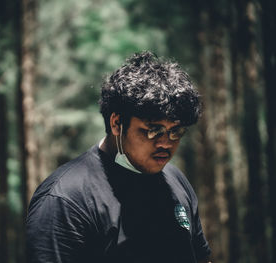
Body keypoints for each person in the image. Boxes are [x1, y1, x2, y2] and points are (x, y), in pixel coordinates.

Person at [26, 51, 212, 263]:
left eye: (175, 131)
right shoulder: (66, 199)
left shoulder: (176, 181)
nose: (166, 143)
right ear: (116, 124)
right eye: (153, 130)